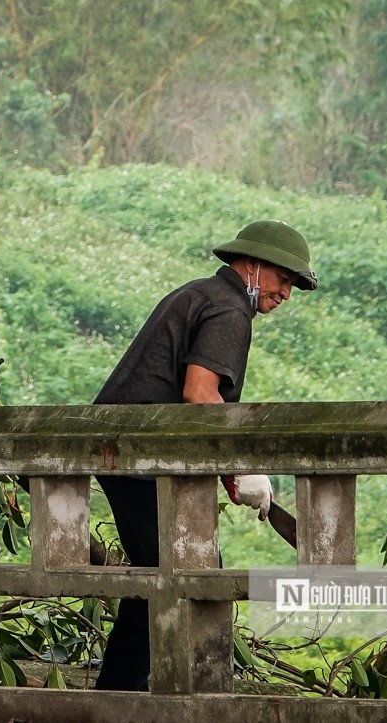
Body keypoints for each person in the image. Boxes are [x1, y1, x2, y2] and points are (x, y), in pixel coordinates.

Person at [90, 219, 316, 692]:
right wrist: (242, 465)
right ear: (252, 264)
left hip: (125, 453)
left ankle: (119, 694)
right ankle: (170, 695)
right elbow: (199, 393)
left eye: (293, 285)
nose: (287, 294)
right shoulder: (230, 310)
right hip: (141, 461)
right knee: (193, 576)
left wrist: (225, 471)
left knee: (157, 578)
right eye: (283, 279)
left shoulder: (198, 294)